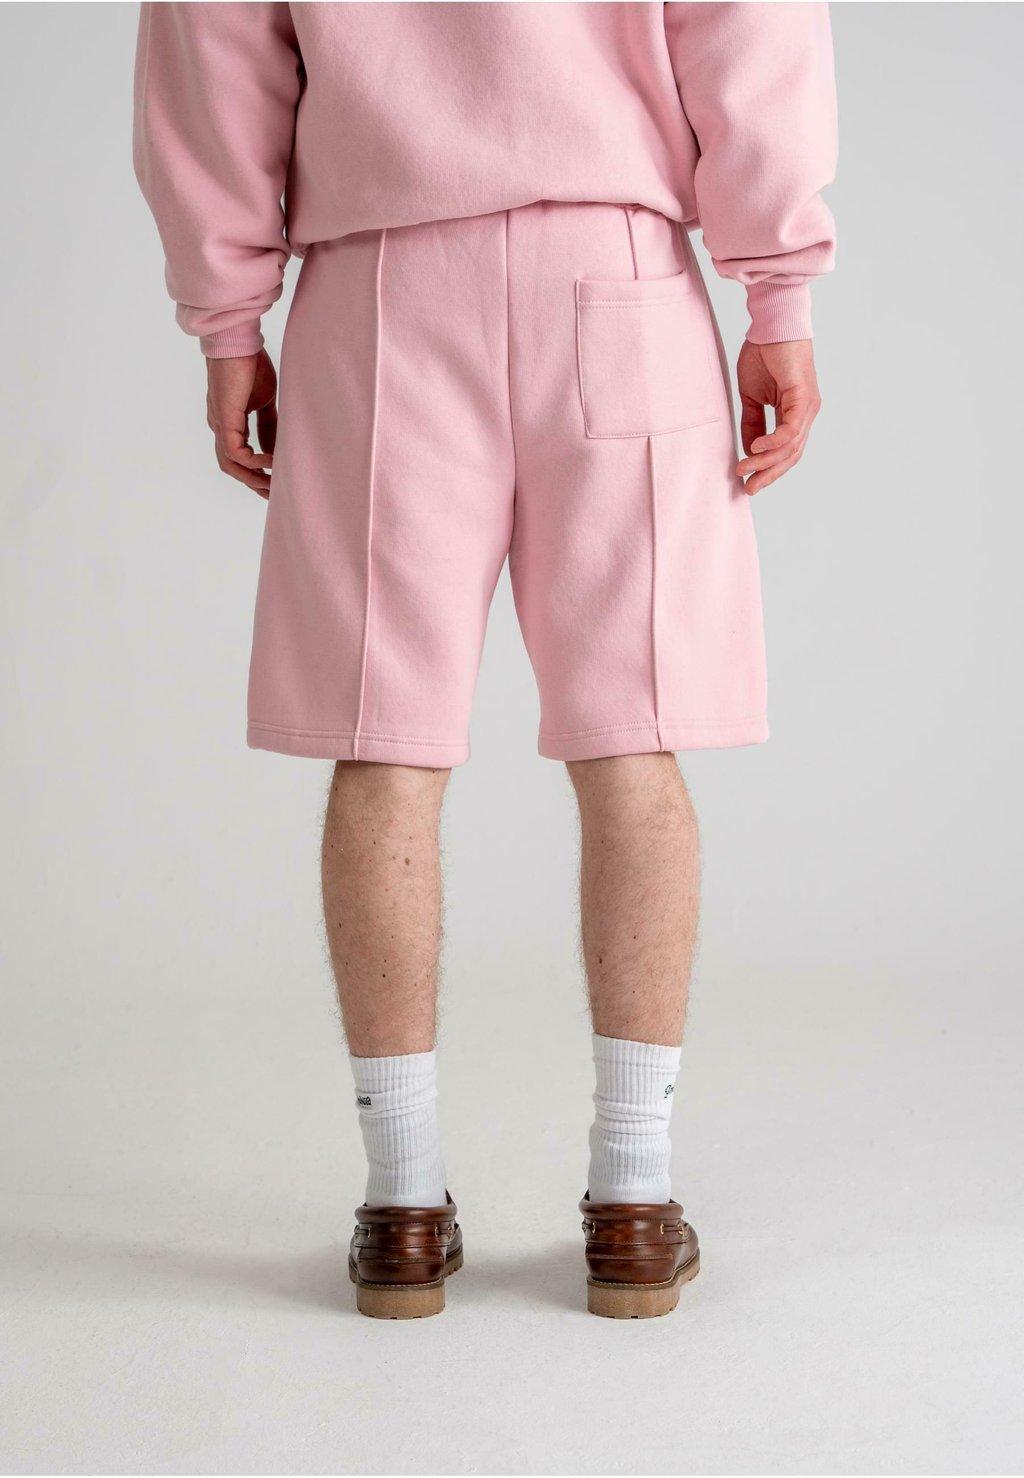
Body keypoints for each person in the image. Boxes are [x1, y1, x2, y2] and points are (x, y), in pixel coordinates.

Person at [134, 0, 836, 1320]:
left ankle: (401, 1206)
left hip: (382, 291)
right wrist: (778, 291)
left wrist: (229, 324)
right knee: (632, 733)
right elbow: (747, 25)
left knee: (384, 741)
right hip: (614, 264)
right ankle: (633, 1202)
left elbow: (213, 45)